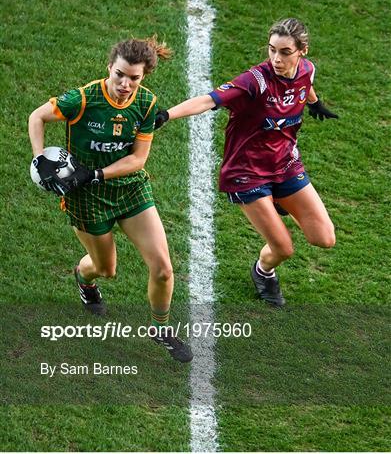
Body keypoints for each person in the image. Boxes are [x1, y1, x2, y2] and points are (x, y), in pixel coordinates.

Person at [28, 36, 193, 362]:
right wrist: (40, 159)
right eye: (120, 74)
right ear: (110, 68)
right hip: (86, 198)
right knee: (106, 269)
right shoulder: (84, 99)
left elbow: (137, 160)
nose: (125, 84)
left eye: (134, 78)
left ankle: (160, 329)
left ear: (143, 76)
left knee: (162, 270)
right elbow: (37, 117)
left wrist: (95, 173)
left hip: (129, 189)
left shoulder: (145, 104)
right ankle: (84, 278)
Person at [155, 18, 338, 306]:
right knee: (284, 248)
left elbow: (306, 83)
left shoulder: (307, 69)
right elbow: (209, 100)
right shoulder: (255, 81)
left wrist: (314, 103)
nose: (277, 59)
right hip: (247, 173)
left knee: (324, 238)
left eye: (285, 52)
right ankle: (263, 271)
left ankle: (277, 199)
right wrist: (166, 115)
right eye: (272, 50)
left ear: (302, 50)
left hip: (286, 164)